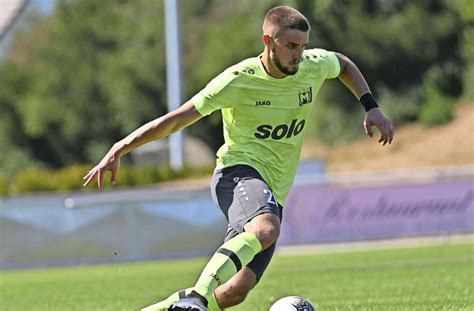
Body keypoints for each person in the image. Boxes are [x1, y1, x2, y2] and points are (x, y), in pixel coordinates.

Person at [83, 5, 395, 311]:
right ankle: (195, 299)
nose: (297, 54)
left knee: (236, 290)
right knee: (265, 229)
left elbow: (343, 64)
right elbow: (177, 119)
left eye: (302, 46)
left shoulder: (312, 66)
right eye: (289, 46)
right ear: (268, 41)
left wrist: (370, 106)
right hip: (237, 173)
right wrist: (119, 148)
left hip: (275, 191)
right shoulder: (238, 79)